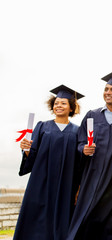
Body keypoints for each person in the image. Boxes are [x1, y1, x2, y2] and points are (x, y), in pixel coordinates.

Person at [67, 72, 112, 240]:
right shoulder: (92, 115)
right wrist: (84, 149)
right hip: (91, 176)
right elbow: (80, 142)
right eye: (106, 89)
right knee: (86, 218)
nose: (108, 92)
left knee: (110, 221)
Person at [14, 85, 84, 240]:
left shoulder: (78, 131)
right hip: (41, 182)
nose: (58, 105)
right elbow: (31, 155)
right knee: (37, 220)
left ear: (71, 107)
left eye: (63, 103)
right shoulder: (42, 126)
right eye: (56, 103)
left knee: (62, 221)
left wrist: (79, 187)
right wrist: (26, 149)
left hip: (67, 184)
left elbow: (81, 162)